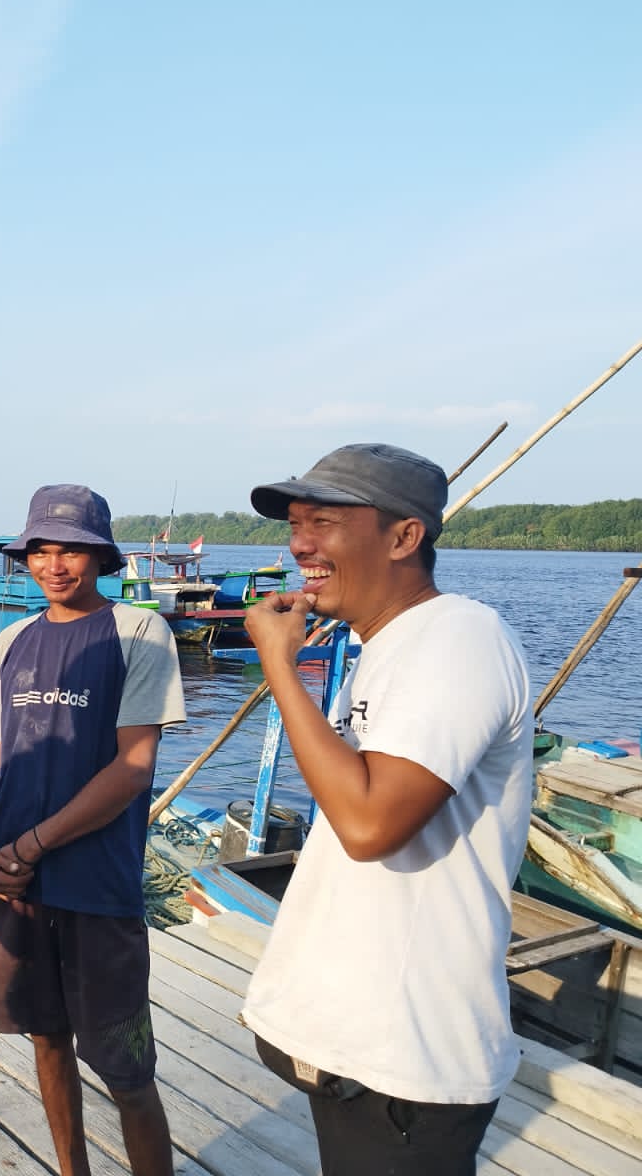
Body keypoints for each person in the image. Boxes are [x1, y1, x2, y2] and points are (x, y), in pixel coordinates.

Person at [240, 443, 534, 1176]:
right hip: (364, 1048)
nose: (300, 544)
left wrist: (281, 664)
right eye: (296, 525)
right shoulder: (385, 648)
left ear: (405, 537)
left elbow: (370, 824)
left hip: (411, 1058)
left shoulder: (460, 636)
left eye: (325, 523)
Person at [0, 484, 185, 1176]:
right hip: (15, 887)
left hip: (97, 888)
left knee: (126, 1067)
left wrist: (31, 843)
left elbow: (133, 768)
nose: (55, 565)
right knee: (45, 1036)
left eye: (73, 551)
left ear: (101, 556)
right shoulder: (13, 642)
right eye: (42, 549)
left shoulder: (138, 632)